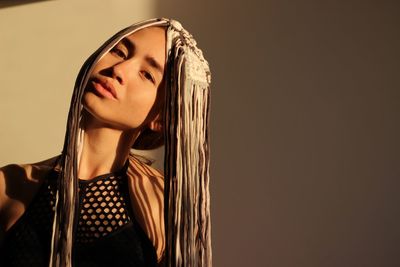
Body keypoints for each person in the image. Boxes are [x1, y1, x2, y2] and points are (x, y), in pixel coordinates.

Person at [0, 18, 212, 267]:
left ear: (161, 118)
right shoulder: (9, 185)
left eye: (147, 74)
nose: (119, 70)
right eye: (119, 51)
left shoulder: (165, 203)